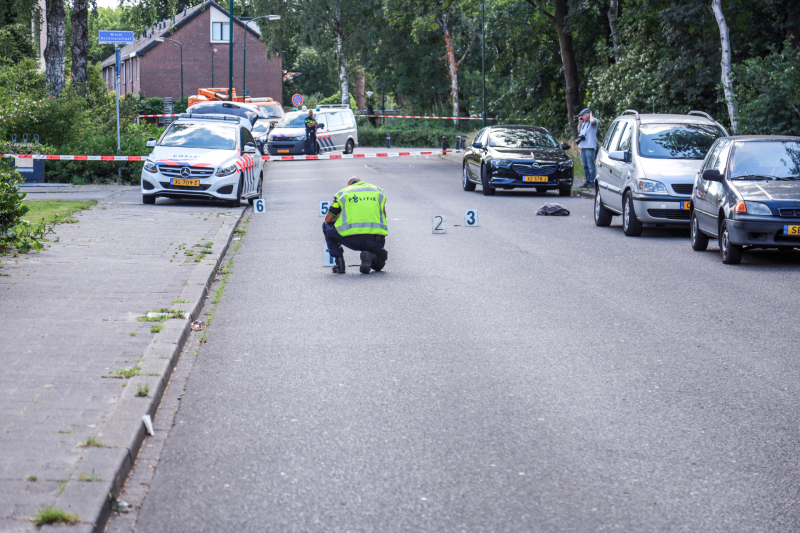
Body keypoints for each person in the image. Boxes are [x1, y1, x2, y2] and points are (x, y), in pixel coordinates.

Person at [323, 177, 388, 275]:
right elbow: (383, 215)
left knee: (326, 226)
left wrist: (344, 214)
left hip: (351, 239)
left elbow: (328, 219)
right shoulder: (377, 192)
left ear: (349, 185)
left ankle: (339, 262)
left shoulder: (343, 193)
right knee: (379, 265)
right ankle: (370, 256)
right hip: (374, 239)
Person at [576, 108, 599, 188]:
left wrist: (591, 115)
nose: (581, 117)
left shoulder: (594, 121)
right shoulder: (584, 123)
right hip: (583, 147)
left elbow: (592, 121)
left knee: (590, 166)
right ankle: (587, 181)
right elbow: (579, 131)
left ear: (588, 114)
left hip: (590, 147)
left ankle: (592, 182)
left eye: (583, 115)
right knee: (585, 165)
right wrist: (580, 123)